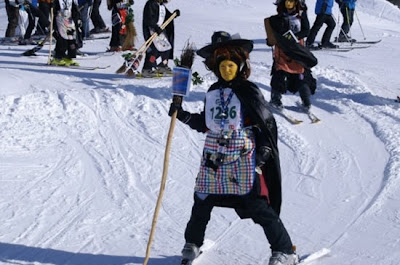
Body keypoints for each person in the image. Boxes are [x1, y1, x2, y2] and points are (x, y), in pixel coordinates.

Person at [168, 31, 298, 265]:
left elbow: (265, 124)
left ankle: (284, 250)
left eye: (231, 65)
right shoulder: (213, 92)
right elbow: (209, 124)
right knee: (202, 200)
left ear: (240, 66)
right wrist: (184, 116)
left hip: (243, 156)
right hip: (213, 155)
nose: (226, 70)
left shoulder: (249, 91)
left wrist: (265, 150)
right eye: (222, 66)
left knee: (256, 204)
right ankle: (192, 244)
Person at [266, 0, 317, 110]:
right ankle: (275, 99)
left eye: (291, 1)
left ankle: (306, 100)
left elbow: (306, 31)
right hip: (282, 50)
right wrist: (270, 40)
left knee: (302, 73)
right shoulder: (277, 17)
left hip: (297, 49)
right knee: (280, 73)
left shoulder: (301, 15)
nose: (288, 3)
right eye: (286, 1)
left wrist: (295, 37)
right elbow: (273, 34)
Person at [141, 0, 179, 77]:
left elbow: (166, 16)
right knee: (153, 50)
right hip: (151, 30)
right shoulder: (151, 4)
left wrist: (174, 14)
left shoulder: (161, 5)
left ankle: (163, 65)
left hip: (160, 31)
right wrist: (155, 27)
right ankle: (147, 68)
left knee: (167, 47)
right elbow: (148, 18)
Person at [50, 0, 80, 66]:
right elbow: (53, 9)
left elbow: (74, 8)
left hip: (69, 19)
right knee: (63, 38)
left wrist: (77, 17)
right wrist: (52, 6)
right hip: (60, 19)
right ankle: (57, 58)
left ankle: (69, 57)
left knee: (71, 39)